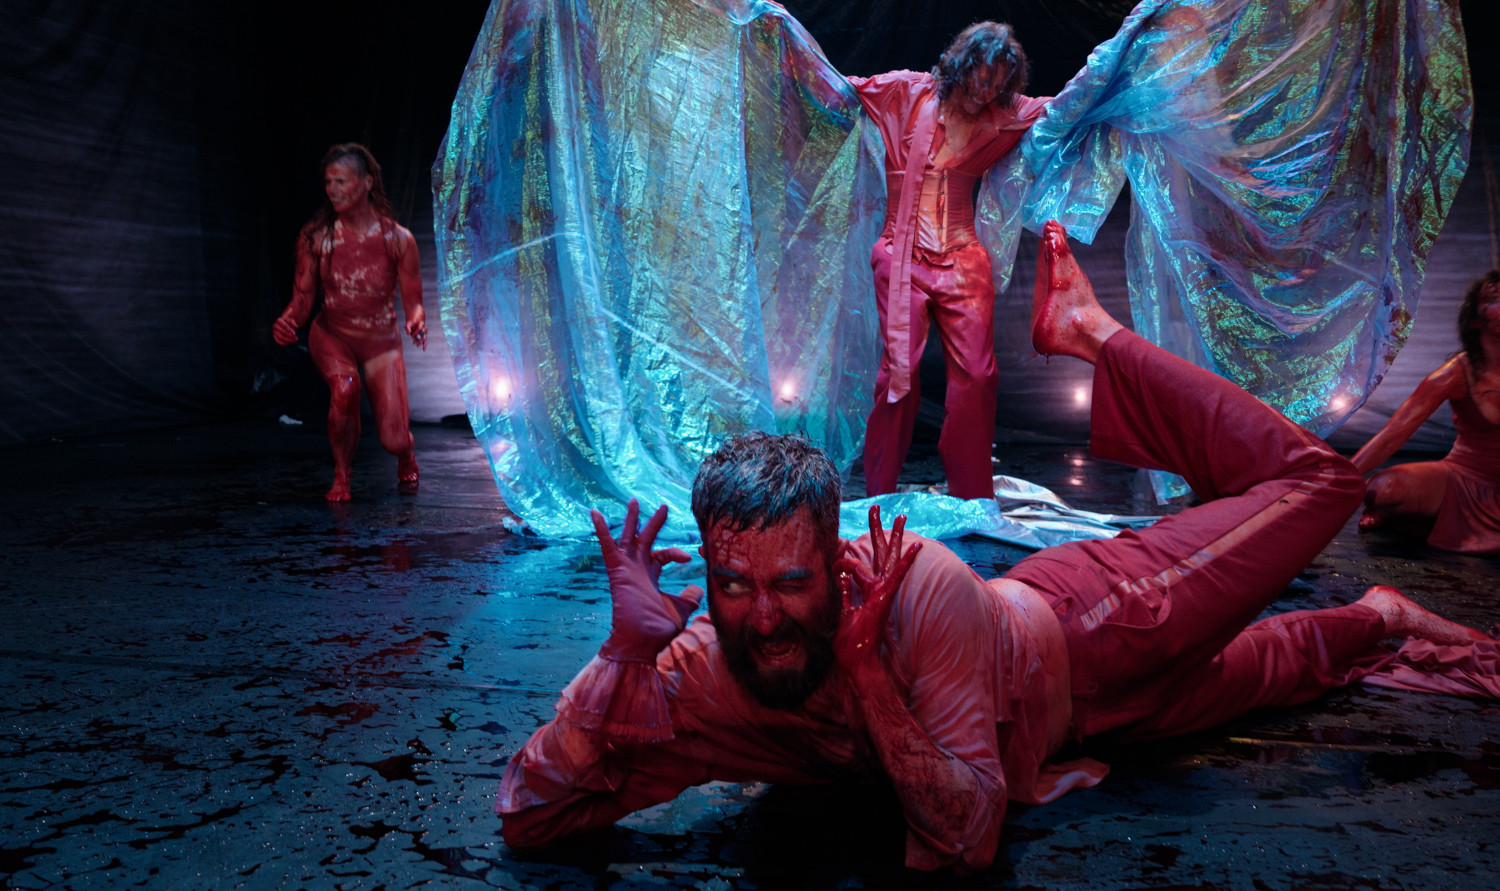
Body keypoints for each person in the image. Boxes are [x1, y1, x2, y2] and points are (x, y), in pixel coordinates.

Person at [494, 221, 1495, 872]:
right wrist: (618, 658)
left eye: (792, 583)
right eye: (735, 586)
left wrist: (869, 676)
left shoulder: (916, 587)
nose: (764, 617)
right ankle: (1382, 616)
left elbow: (967, 841)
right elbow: (531, 814)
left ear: (834, 564)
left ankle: (1092, 333)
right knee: (1284, 668)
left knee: (1316, 485)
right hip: (1096, 724)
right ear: (707, 581)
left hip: (1101, 622)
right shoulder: (706, 664)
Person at [852, 22, 1048, 500]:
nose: (987, 91)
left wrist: (1129, 44)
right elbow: (836, 87)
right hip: (902, 256)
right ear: (961, 65)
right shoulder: (906, 92)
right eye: (982, 77)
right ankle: (880, 496)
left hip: (962, 260)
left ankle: (972, 497)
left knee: (979, 376)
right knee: (897, 375)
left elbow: (1070, 105)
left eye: (999, 83)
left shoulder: (1006, 114)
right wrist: (776, 29)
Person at [273, 143, 427, 502]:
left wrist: (417, 320)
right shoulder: (317, 236)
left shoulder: (398, 239)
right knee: (345, 387)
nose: (332, 189)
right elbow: (302, 300)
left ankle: (405, 451)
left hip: (380, 341)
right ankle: (342, 474)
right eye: (328, 182)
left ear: (367, 182)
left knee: (393, 439)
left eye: (341, 181)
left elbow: (414, 302)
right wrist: (287, 321)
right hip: (333, 334)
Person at [1350, 272, 1500, 554]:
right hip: (1463, 478)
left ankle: (1418, 521)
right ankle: (1401, 514)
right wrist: (1341, 478)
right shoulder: (1456, 373)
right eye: (1494, 299)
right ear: (1476, 319)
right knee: (1383, 489)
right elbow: (1393, 434)